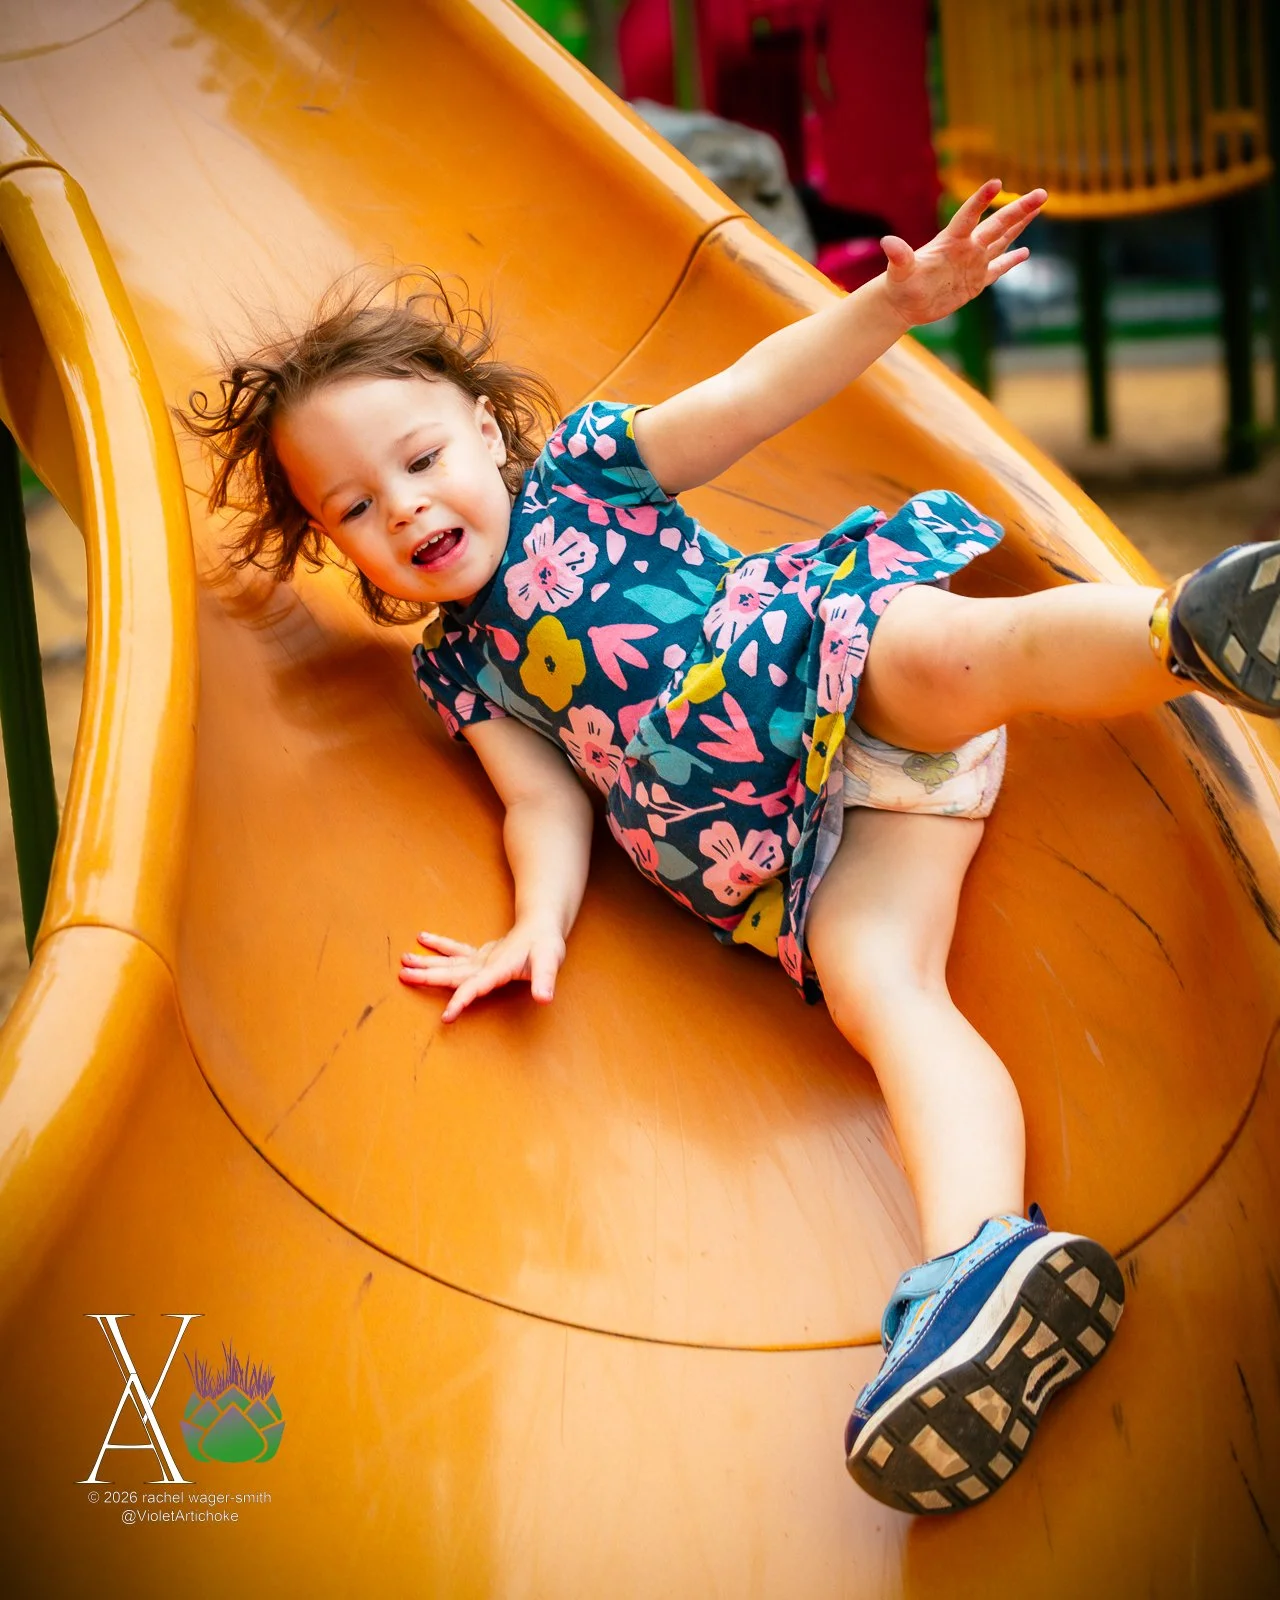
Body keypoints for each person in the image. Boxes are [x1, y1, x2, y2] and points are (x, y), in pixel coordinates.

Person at [183, 180, 1280, 1515]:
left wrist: (893, 304)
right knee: (883, 991)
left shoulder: (587, 473)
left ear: (485, 426)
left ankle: (1184, 633)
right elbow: (542, 804)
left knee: (968, 650)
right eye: (355, 508)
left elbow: (755, 395)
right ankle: (981, 1264)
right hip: (800, 853)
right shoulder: (461, 669)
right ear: (331, 544)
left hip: (827, 666)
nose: (404, 510)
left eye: (419, 461)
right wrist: (536, 924)